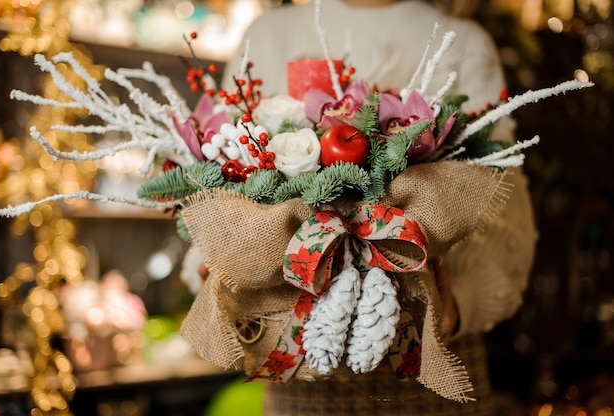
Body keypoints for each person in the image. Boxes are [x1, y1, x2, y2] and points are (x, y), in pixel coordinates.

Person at [216, 0, 538, 414]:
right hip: (301, 371)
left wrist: (455, 307)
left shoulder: (461, 42)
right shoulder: (265, 37)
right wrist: (228, 271)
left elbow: (501, 205)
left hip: (434, 366)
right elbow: (225, 176)